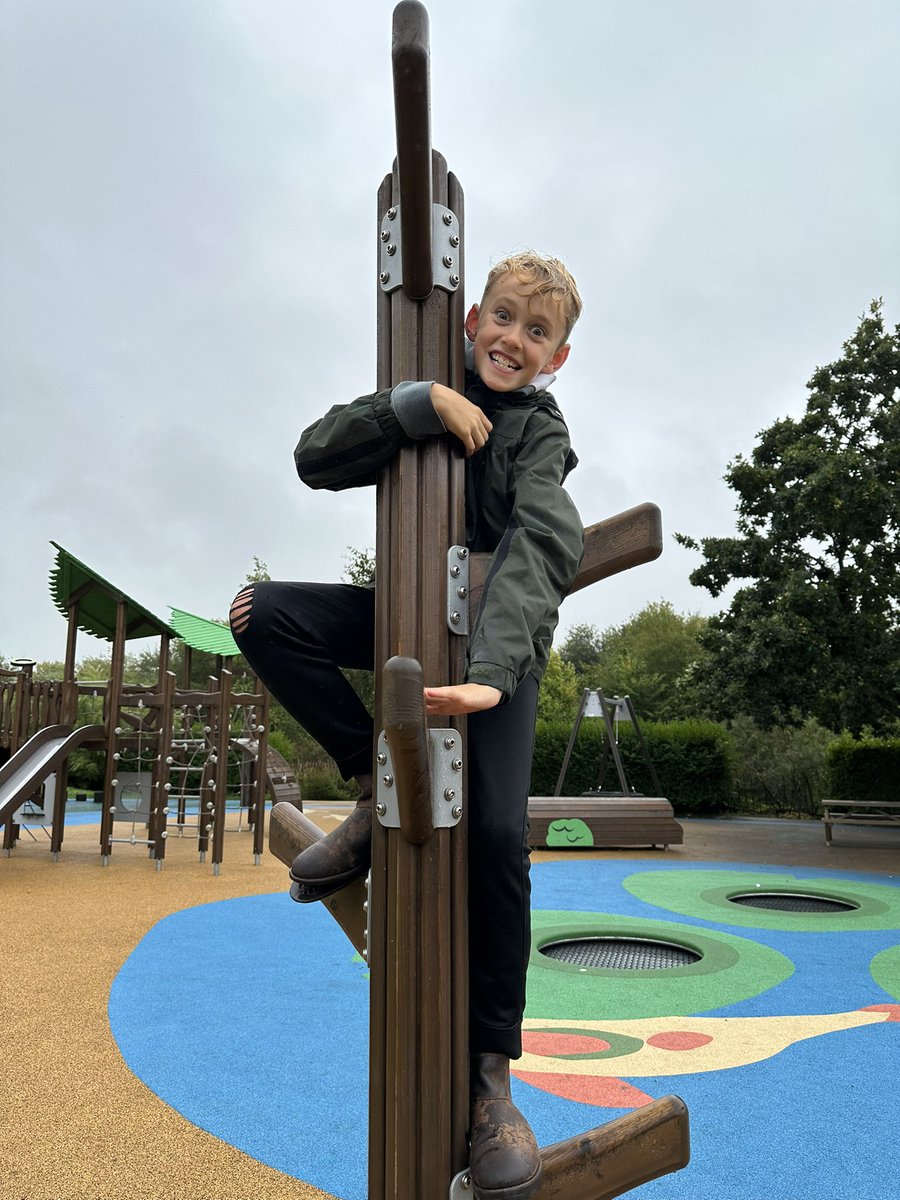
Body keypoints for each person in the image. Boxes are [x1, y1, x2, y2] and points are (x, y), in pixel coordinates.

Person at [230, 251, 583, 1200]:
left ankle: (490, 1085)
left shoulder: (538, 434)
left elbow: (547, 539)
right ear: (471, 321)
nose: (514, 338)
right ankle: (366, 790)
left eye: (537, 332)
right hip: (404, 619)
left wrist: (498, 676)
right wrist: (413, 405)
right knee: (260, 614)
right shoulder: (426, 389)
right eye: (503, 317)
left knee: (500, 837)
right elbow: (314, 454)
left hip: (492, 651)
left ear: (555, 359)